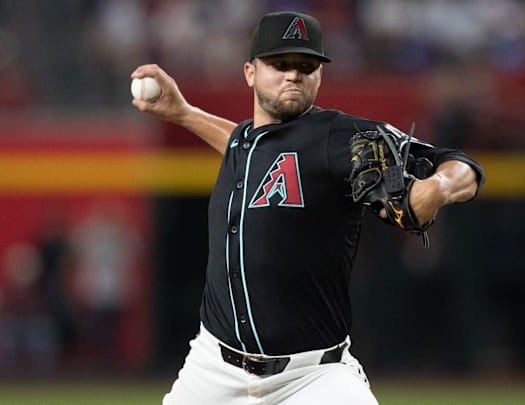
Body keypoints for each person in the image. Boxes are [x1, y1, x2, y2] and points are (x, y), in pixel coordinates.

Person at [131, 11, 485, 405]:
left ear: (320, 75)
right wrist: (183, 113)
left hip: (313, 377)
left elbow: (464, 167)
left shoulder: (340, 136)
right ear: (250, 72)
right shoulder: (245, 144)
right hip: (213, 369)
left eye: (306, 65)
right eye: (279, 64)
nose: (293, 75)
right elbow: (241, 143)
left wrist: (436, 187)